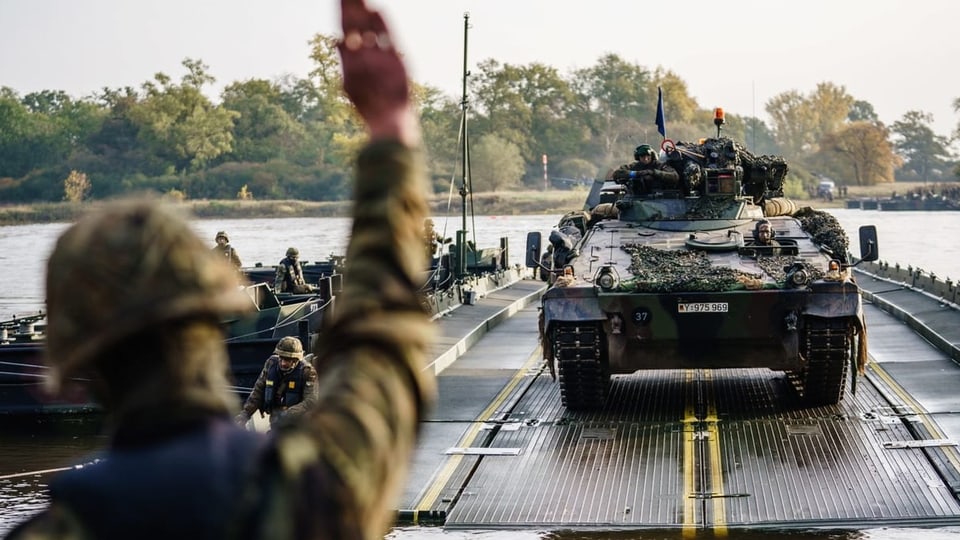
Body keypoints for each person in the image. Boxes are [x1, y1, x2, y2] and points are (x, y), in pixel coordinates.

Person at [6, 0, 435, 538]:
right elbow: (383, 343)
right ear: (217, 316)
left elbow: (375, 350)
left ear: (68, 382)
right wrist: (390, 128)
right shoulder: (319, 489)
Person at [235, 336, 319, 430]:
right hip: (276, 420)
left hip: (297, 424)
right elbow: (258, 391)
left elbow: (311, 401)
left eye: (287, 360)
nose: (283, 363)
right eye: (281, 358)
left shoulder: (307, 372)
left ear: (295, 360)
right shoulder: (271, 364)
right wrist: (245, 415)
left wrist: (288, 414)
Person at [612, 144, 680, 196]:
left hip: (660, 198)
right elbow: (617, 173)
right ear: (638, 157)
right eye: (642, 156)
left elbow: (674, 176)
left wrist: (654, 172)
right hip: (637, 198)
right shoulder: (635, 166)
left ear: (652, 155)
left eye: (648, 156)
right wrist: (636, 174)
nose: (645, 158)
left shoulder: (660, 165)